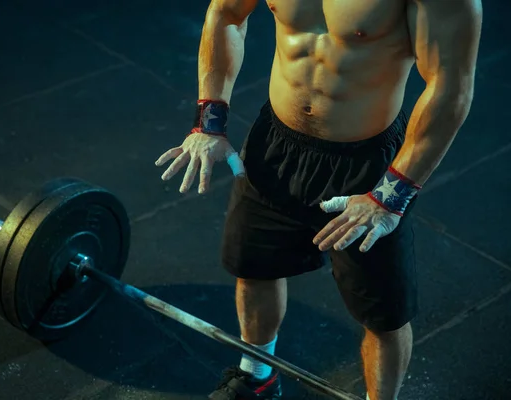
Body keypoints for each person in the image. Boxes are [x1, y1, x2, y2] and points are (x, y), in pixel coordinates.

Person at [155, 0, 482, 399]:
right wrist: (210, 121)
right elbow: (225, 13)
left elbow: (451, 86)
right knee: (254, 269)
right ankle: (258, 376)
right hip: (276, 144)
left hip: (366, 169)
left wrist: (389, 195)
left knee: (384, 316)